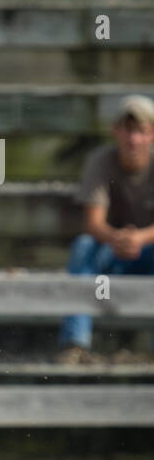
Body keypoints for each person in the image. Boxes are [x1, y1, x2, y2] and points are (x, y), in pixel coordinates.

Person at [58, 96, 154, 363]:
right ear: (116, 131)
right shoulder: (100, 161)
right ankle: (75, 344)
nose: (133, 139)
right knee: (83, 246)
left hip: (147, 254)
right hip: (110, 252)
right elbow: (93, 223)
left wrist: (140, 238)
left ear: (152, 135)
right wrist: (120, 238)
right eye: (128, 130)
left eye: (141, 131)